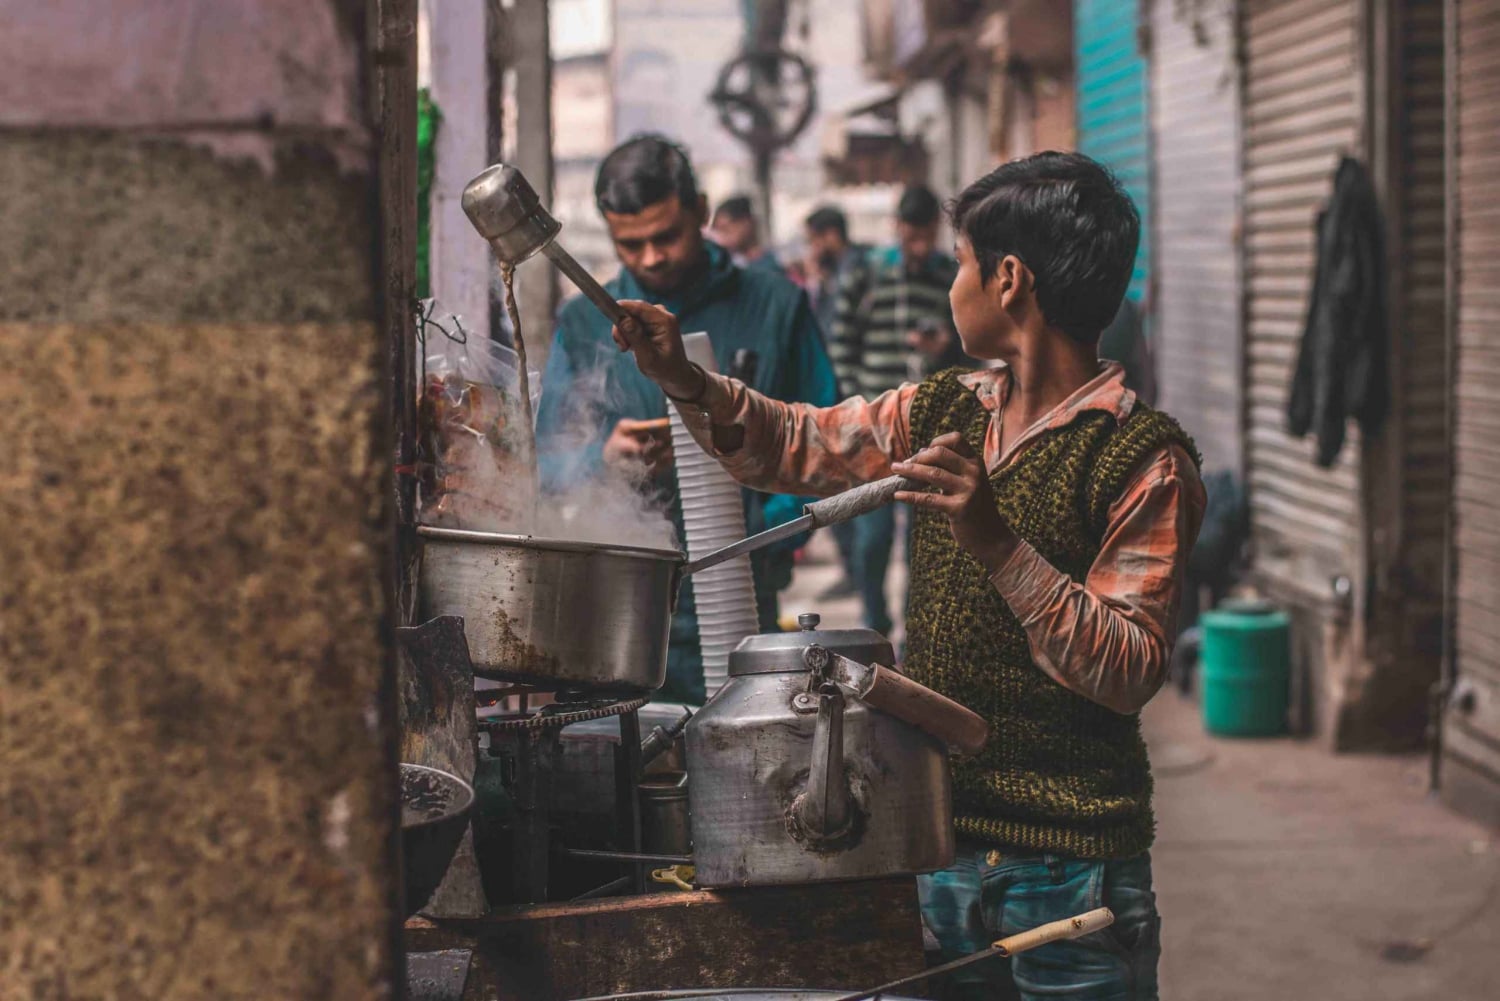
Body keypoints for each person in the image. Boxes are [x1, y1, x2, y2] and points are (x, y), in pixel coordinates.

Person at [608, 151, 1205, 1000]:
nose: (949, 284)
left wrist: (996, 541)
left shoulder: (1144, 458)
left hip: (1073, 873)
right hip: (937, 843)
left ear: (1008, 279)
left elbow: (1125, 669)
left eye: (960, 263)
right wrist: (684, 379)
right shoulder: (944, 407)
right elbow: (795, 443)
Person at [535, 134, 837, 705]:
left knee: (742, 744)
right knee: (631, 750)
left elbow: (827, 441)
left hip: (743, 588)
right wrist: (602, 458)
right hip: (620, 609)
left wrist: (762, 529)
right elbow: (546, 463)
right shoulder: (583, 324)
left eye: (666, 236)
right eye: (630, 244)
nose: (651, 257)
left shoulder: (775, 306)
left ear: (700, 210)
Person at [829, 184, 969, 635]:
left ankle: (914, 634)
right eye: (912, 237)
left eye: (926, 237)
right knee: (872, 537)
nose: (919, 247)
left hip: (928, 431)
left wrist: (946, 346)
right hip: (874, 430)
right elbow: (840, 344)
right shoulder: (867, 273)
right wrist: (856, 407)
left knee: (922, 542)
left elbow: (970, 349)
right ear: (898, 228)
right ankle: (874, 625)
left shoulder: (949, 276)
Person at [802, 204, 871, 600]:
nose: (812, 249)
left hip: (852, 399)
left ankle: (861, 575)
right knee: (836, 489)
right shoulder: (831, 277)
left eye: (814, 240)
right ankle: (853, 570)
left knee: (857, 492)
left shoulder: (857, 273)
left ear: (831, 235)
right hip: (833, 398)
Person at [709, 194, 783, 275]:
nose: (720, 237)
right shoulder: (725, 264)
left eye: (725, 229)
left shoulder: (774, 263)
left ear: (746, 223)